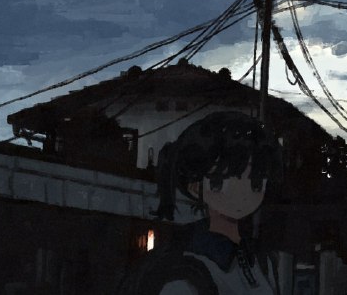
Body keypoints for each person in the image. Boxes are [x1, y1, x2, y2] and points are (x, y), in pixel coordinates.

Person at [118, 111, 283, 295]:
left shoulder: (261, 261)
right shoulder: (185, 272)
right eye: (221, 181)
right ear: (195, 187)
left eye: (256, 182)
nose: (242, 192)